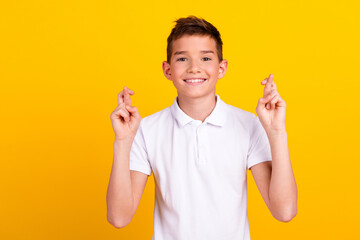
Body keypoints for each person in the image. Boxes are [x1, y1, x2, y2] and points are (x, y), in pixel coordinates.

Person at [106, 16, 297, 240]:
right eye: (182, 59)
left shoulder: (249, 124)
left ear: (221, 68)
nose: (194, 68)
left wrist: (276, 133)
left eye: (206, 58)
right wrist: (122, 142)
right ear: (167, 70)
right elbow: (119, 218)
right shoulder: (146, 129)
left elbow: (284, 211)